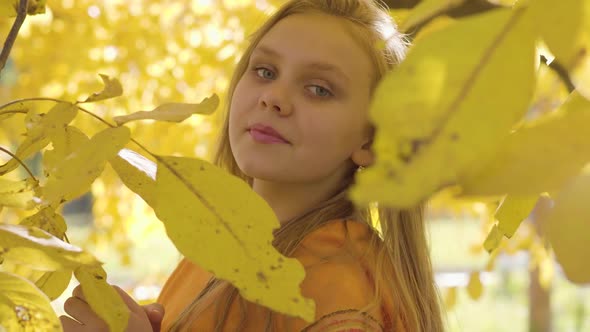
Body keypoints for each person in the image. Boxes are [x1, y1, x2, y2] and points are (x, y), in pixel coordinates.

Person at [60, 0, 444, 331]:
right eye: (265, 71)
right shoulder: (220, 250)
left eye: (319, 89)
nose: (274, 97)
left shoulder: (339, 288)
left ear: (371, 140)